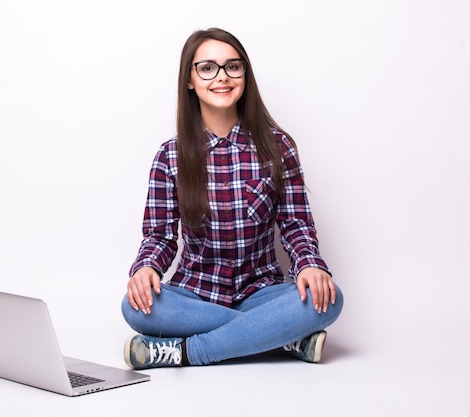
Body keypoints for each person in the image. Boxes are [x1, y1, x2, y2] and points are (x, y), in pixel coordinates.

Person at [121, 27, 343, 369]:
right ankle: (280, 337)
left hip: (262, 292)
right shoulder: (170, 156)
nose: (222, 77)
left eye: (233, 67)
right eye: (207, 68)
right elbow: (160, 236)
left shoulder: (277, 147)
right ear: (190, 81)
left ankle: (185, 352)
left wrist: (310, 265)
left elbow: (296, 224)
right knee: (135, 306)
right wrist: (146, 267)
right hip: (194, 295)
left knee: (327, 299)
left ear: (245, 75)